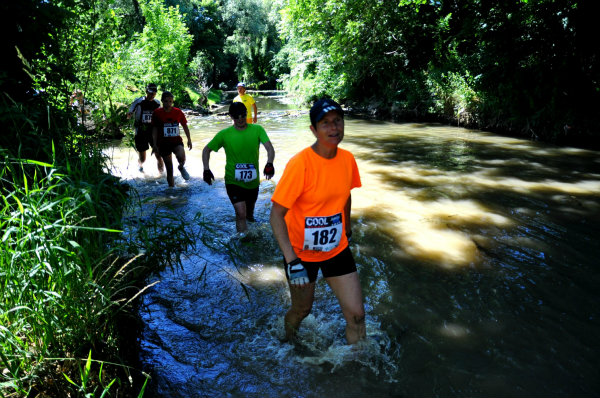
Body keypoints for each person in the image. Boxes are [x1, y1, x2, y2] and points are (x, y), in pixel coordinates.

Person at [269, 98, 366, 344]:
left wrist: (347, 227)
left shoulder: (347, 160)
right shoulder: (300, 164)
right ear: (313, 130)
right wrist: (292, 261)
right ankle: (288, 341)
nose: (334, 128)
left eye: (337, 121)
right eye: (325, 123)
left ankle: (358, 370)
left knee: (357, 316)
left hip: (337, 248)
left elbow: (345, 194)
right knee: (303, 310)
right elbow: (276, 215)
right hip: (301, 255)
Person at [202, 102, 275, 232]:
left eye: (243, 115)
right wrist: (206, 169)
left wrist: (269, 163)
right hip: (233, 181)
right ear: (231, 116)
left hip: (252, 182)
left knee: (249, 215)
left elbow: (269, 148)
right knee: (241, 214)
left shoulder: (258, 129)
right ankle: (243, 243)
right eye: (236, 116)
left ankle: (252, 236)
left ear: (246, 114)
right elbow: (206, 150)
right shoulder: (224, 134)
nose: (240, 119)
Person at [151, 91, 192, 188]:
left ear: (172, 102)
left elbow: (185, 126)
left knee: (181, 157)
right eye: (166, 101)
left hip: (176, 141)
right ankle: (171, 189)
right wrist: (155, 144)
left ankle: (181, 167)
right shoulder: (157, 113)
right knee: (169, 169)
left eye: (170, 101)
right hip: (163, 143)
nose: (168, 104)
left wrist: (189, 139)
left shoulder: (178, 112)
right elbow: (155, 129)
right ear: (162, 101)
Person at [127, 83, 164, 173]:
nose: (152, 95)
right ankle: (140, 166)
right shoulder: (138, 101)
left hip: (153, 132)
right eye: (150, 93)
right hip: (140, 132)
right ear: (146, 91)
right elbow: (128, 114)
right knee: (143, 159)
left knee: (159, 155)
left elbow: (161, 117)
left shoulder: (157, 103)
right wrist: (129, 114)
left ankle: (162, 176)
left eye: (154, 94)